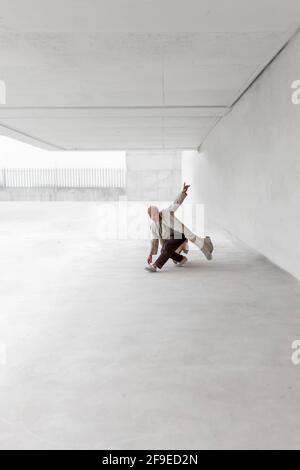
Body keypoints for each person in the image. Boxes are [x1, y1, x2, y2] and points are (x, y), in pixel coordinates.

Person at [145, 183, 214, 272]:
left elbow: (176, 203)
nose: (156, 215)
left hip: (179, 235)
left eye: (157, 212)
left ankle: (155, 266)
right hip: (169, 241)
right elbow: (155, 241)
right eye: (153, 214)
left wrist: (183, 193)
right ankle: (181, 259)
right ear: (150, 216)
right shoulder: (153, 226)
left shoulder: (166, 212)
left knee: (167, 246)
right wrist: (150, 254)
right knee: (164, 249)